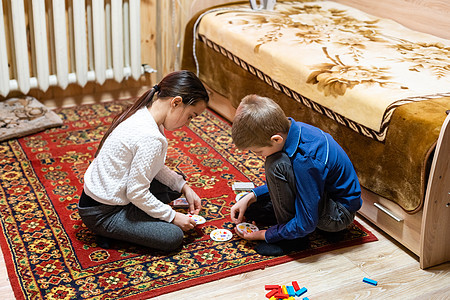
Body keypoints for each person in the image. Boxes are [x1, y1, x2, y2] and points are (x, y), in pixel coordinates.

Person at [78, 70, 209, 252]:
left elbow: (151, 166)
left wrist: (184, 187)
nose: (187, 123)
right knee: (173, 237)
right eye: (190, 116)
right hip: (102, 214)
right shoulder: (151, 137)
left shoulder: (144, 113)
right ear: (176, 102)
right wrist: (172, 217)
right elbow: (136, 192)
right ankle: (109, 231)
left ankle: (133, 222)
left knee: (175, 184)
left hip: (98, 199)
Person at [230, 94, 362, 256]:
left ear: (276, 139)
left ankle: (293, 240)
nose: (259, 155)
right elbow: (298, 180)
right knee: (276, 167)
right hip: (322, 193)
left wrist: (265, 235)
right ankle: (286, 223)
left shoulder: (305, 160)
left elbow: (307, 222)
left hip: (338, 215)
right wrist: (252, 196)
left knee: (275, 164)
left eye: (259, 151)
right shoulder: (293, 129)